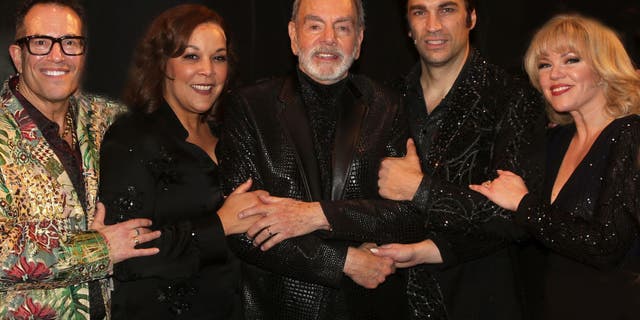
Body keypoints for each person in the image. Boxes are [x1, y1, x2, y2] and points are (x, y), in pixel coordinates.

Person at [216, 0, 425, 318]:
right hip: (279, 308)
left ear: (359, 40)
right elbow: (243, 228)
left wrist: (317, 215)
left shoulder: (388, 108)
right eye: (315, 25)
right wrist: (346, 261)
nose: (329, 38)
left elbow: (408, 217)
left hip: (368, 308)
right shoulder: (250, 108)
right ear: (293, 35)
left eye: (342, 27)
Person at [369, 0, 547, 318]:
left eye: (447, 9)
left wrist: (419, 189)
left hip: (477, 299)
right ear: (407, 26)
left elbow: (515, 217)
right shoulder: (384, 99)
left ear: (472, 18)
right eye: (419, 12)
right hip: (389, 297)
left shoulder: (513, 97)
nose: (433, 25)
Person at [97, 4, 268, 319]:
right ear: (163, 64)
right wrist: (221, 224)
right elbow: (129, 258)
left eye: (218, 57)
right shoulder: (132, 139)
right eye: (191, 56)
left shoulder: (232, 135)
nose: (208, 70)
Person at [467, 14, 640, 320]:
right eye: (544, 65)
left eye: (570, 60)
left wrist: (524, 204)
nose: (554, 74)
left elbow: (605, 245)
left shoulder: (629, 133)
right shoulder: (554, 140)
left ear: (603, 69)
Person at [0, 0, 161, 319]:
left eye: (70, 43)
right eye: (41, 42)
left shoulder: (107, 119)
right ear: (17, 56)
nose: (57, 55)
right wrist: (98, 249)